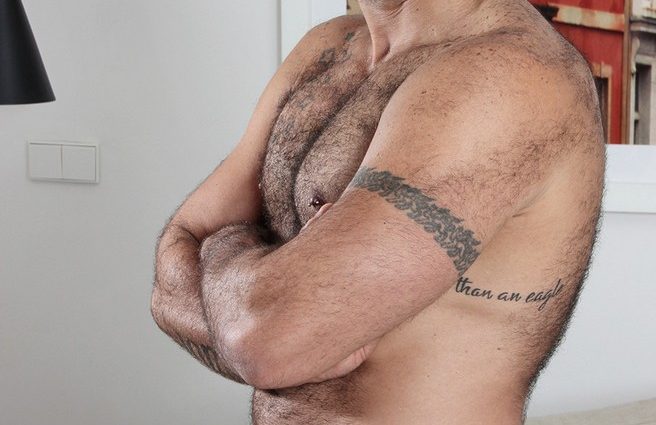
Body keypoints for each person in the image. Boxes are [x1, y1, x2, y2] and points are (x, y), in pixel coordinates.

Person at [150, 0, 606, 423]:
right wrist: (249, 292)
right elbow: (173, 268)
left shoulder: (509, 75)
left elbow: (266, 341)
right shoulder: (329, 47)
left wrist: (224, 248)